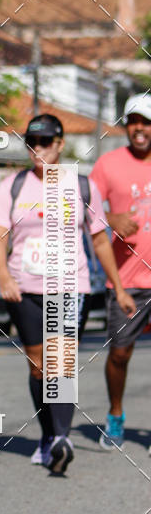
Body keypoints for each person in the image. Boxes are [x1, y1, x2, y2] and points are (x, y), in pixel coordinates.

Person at [0, 114, 135, 473]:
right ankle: (48, 434)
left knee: (61, 364)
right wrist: (3, 276)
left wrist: (120, 286)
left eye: (46, 142)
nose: (39, 150)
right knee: (39, 366)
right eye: (32, 143)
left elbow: (99, 240)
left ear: (60, 144)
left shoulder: (82, 186)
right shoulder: (13, 185)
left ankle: (62, 438)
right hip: (25, 288)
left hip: (71, 287)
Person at [90, 93, 151, 450]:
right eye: (133, 122)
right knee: (120, 353)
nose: (140, 128)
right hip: (126, 281)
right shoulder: (108, 165)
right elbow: (83, 207)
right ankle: (115, 416)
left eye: (146, 122)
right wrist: (110, 218)